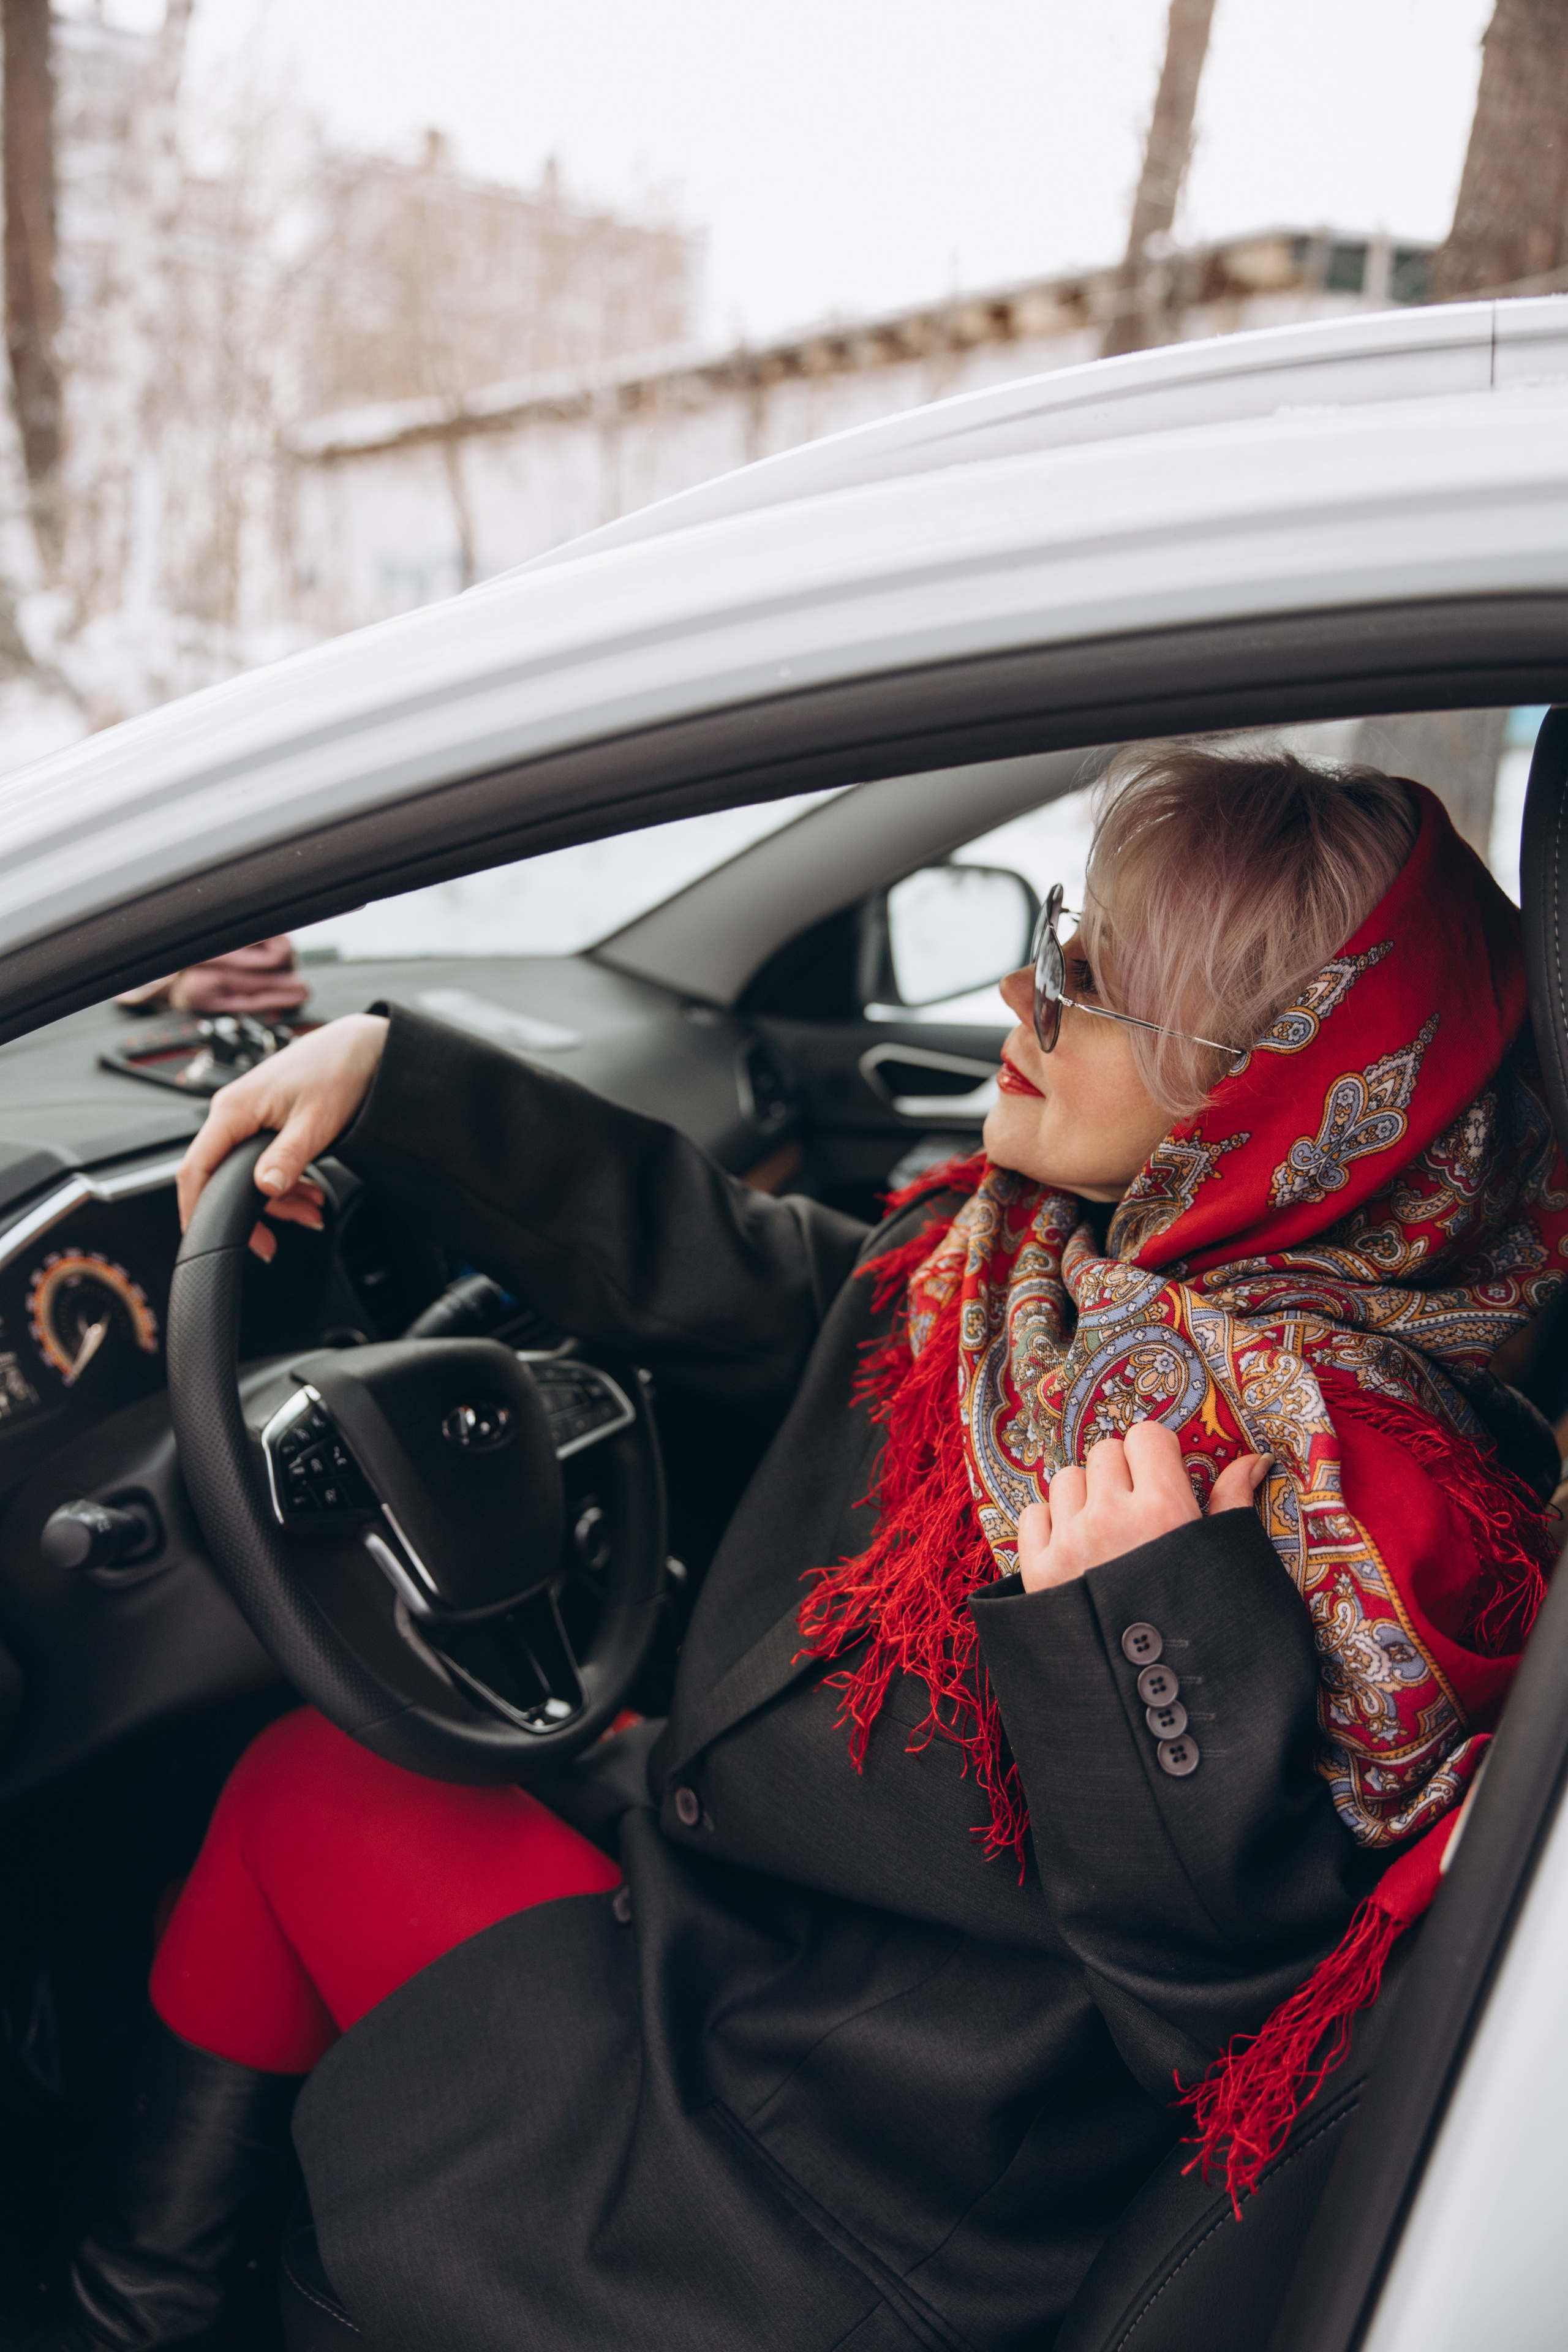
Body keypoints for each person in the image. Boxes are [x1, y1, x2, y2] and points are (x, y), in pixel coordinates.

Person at [56, 749, 1568, 2351]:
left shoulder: (1342, 1499)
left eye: (1087, 983)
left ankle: (123, 2316)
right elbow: (753, 1278)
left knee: (312, 1790)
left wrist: (1137, 1631)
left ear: (1264, 1093)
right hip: (747, 1946)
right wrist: (398, 1083)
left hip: (842, 2181)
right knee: (331, 1777)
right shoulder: (1050, 1284)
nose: (1020, 994)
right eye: (1056, 937)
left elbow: (1233, 2031)